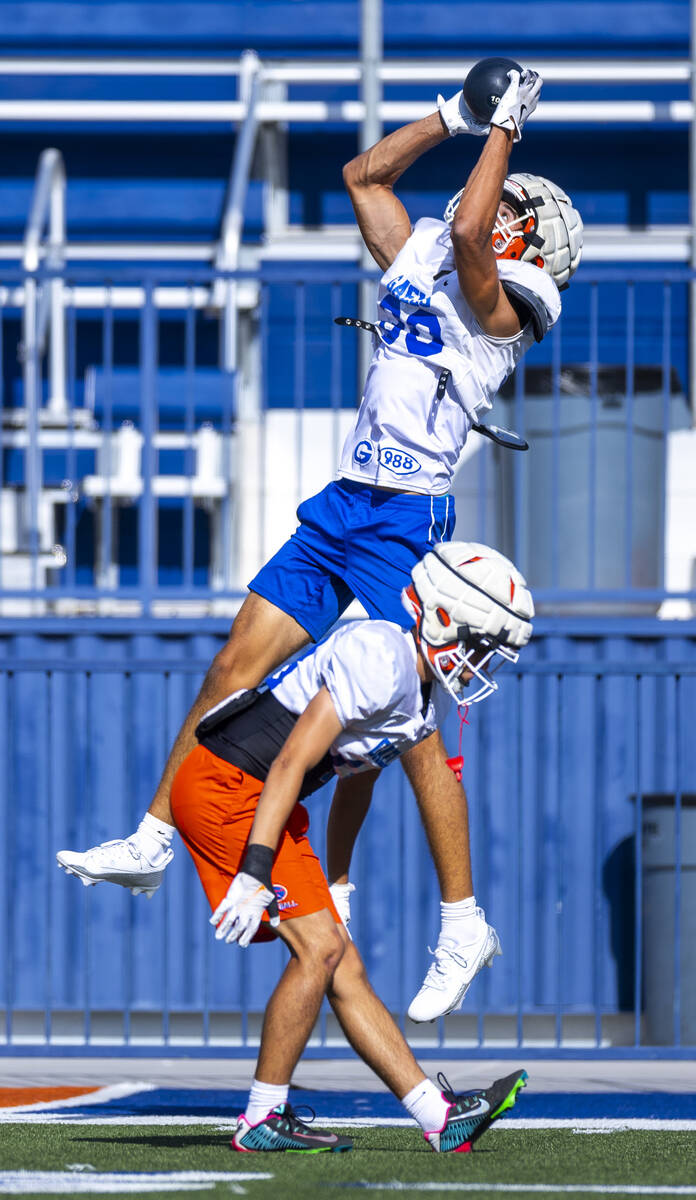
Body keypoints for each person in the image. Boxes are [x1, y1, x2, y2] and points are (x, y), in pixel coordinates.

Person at [56, 64, 583, 1022]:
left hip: (405, 517)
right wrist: (455, 116)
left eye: (512, 207)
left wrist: (505, 126)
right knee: (232, 664)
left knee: (411, 725)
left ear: (531, 242)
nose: (497, 208)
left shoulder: (507, 310)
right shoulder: (432, 249)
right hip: (345, 500)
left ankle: (462, 919)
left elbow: (470, 230)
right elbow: (363, 177)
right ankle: (153, 836)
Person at [171, 543, 533, 1153]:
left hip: (264, 799)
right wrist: (254, 871)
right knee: (319, 951)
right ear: (442, 619)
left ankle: (438, 1118)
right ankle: (261, 1117)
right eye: (475, 645)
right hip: (227, 788)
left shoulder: (418, 692)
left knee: (341, 959)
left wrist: (338, 884)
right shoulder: (379, 656)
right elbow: (290, 761)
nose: (478, 664)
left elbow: (354, 783)